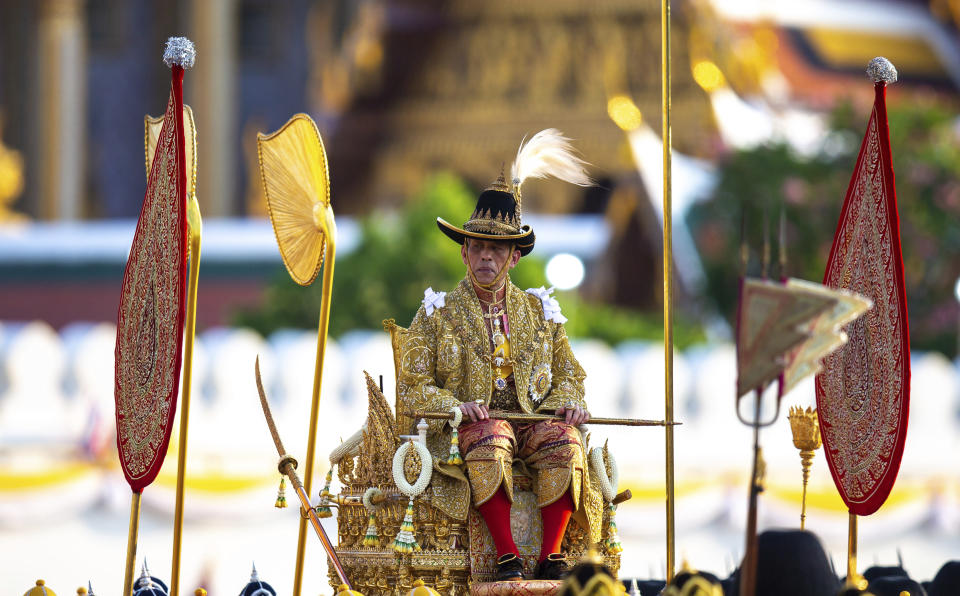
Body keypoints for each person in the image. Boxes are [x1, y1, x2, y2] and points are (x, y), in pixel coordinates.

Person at [395, 129, 601, 582]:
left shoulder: (541, 311)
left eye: (498, 248)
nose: (487, 255)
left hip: (532, 422)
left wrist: (567, 403)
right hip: (468, 430)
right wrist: (456, 406)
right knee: (490, 436)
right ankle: (506, 556)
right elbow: (412, 387)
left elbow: (570, 374)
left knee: (563, 443)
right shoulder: (437, 313)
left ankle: (549, 558)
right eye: (479, 246)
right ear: (465, 252)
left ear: (513, 258)